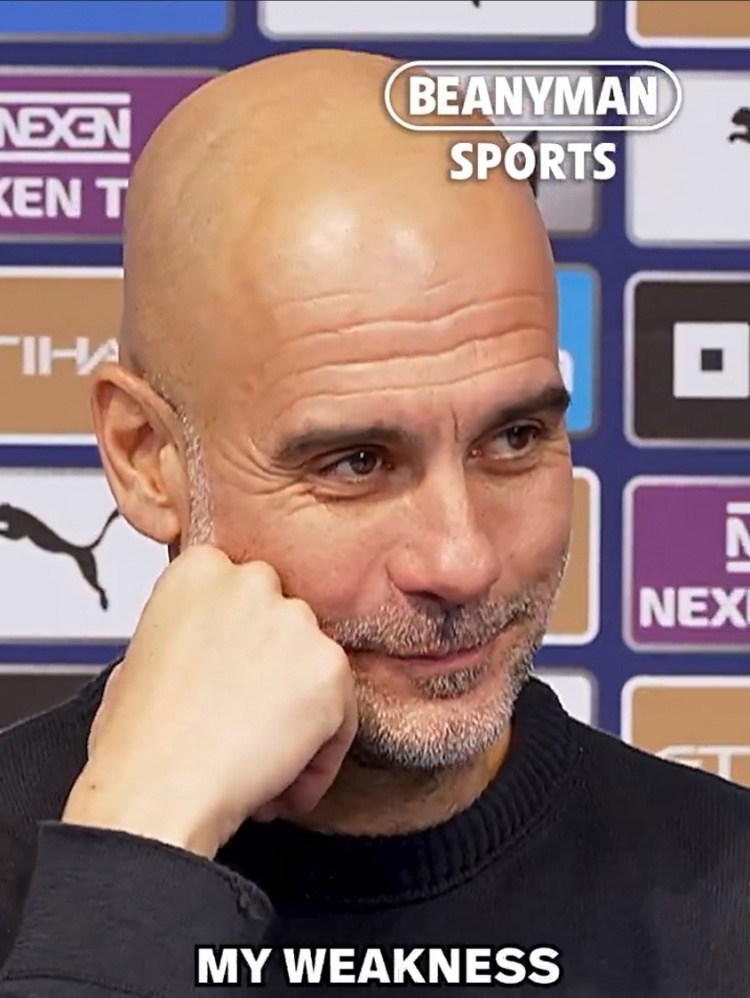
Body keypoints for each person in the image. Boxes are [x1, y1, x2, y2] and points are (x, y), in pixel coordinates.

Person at [0, 48, 748, 998]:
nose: (462, 560)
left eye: (514, 439)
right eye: (357, 462)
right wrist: (138, 846)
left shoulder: (727, 901)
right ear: (148, 456)